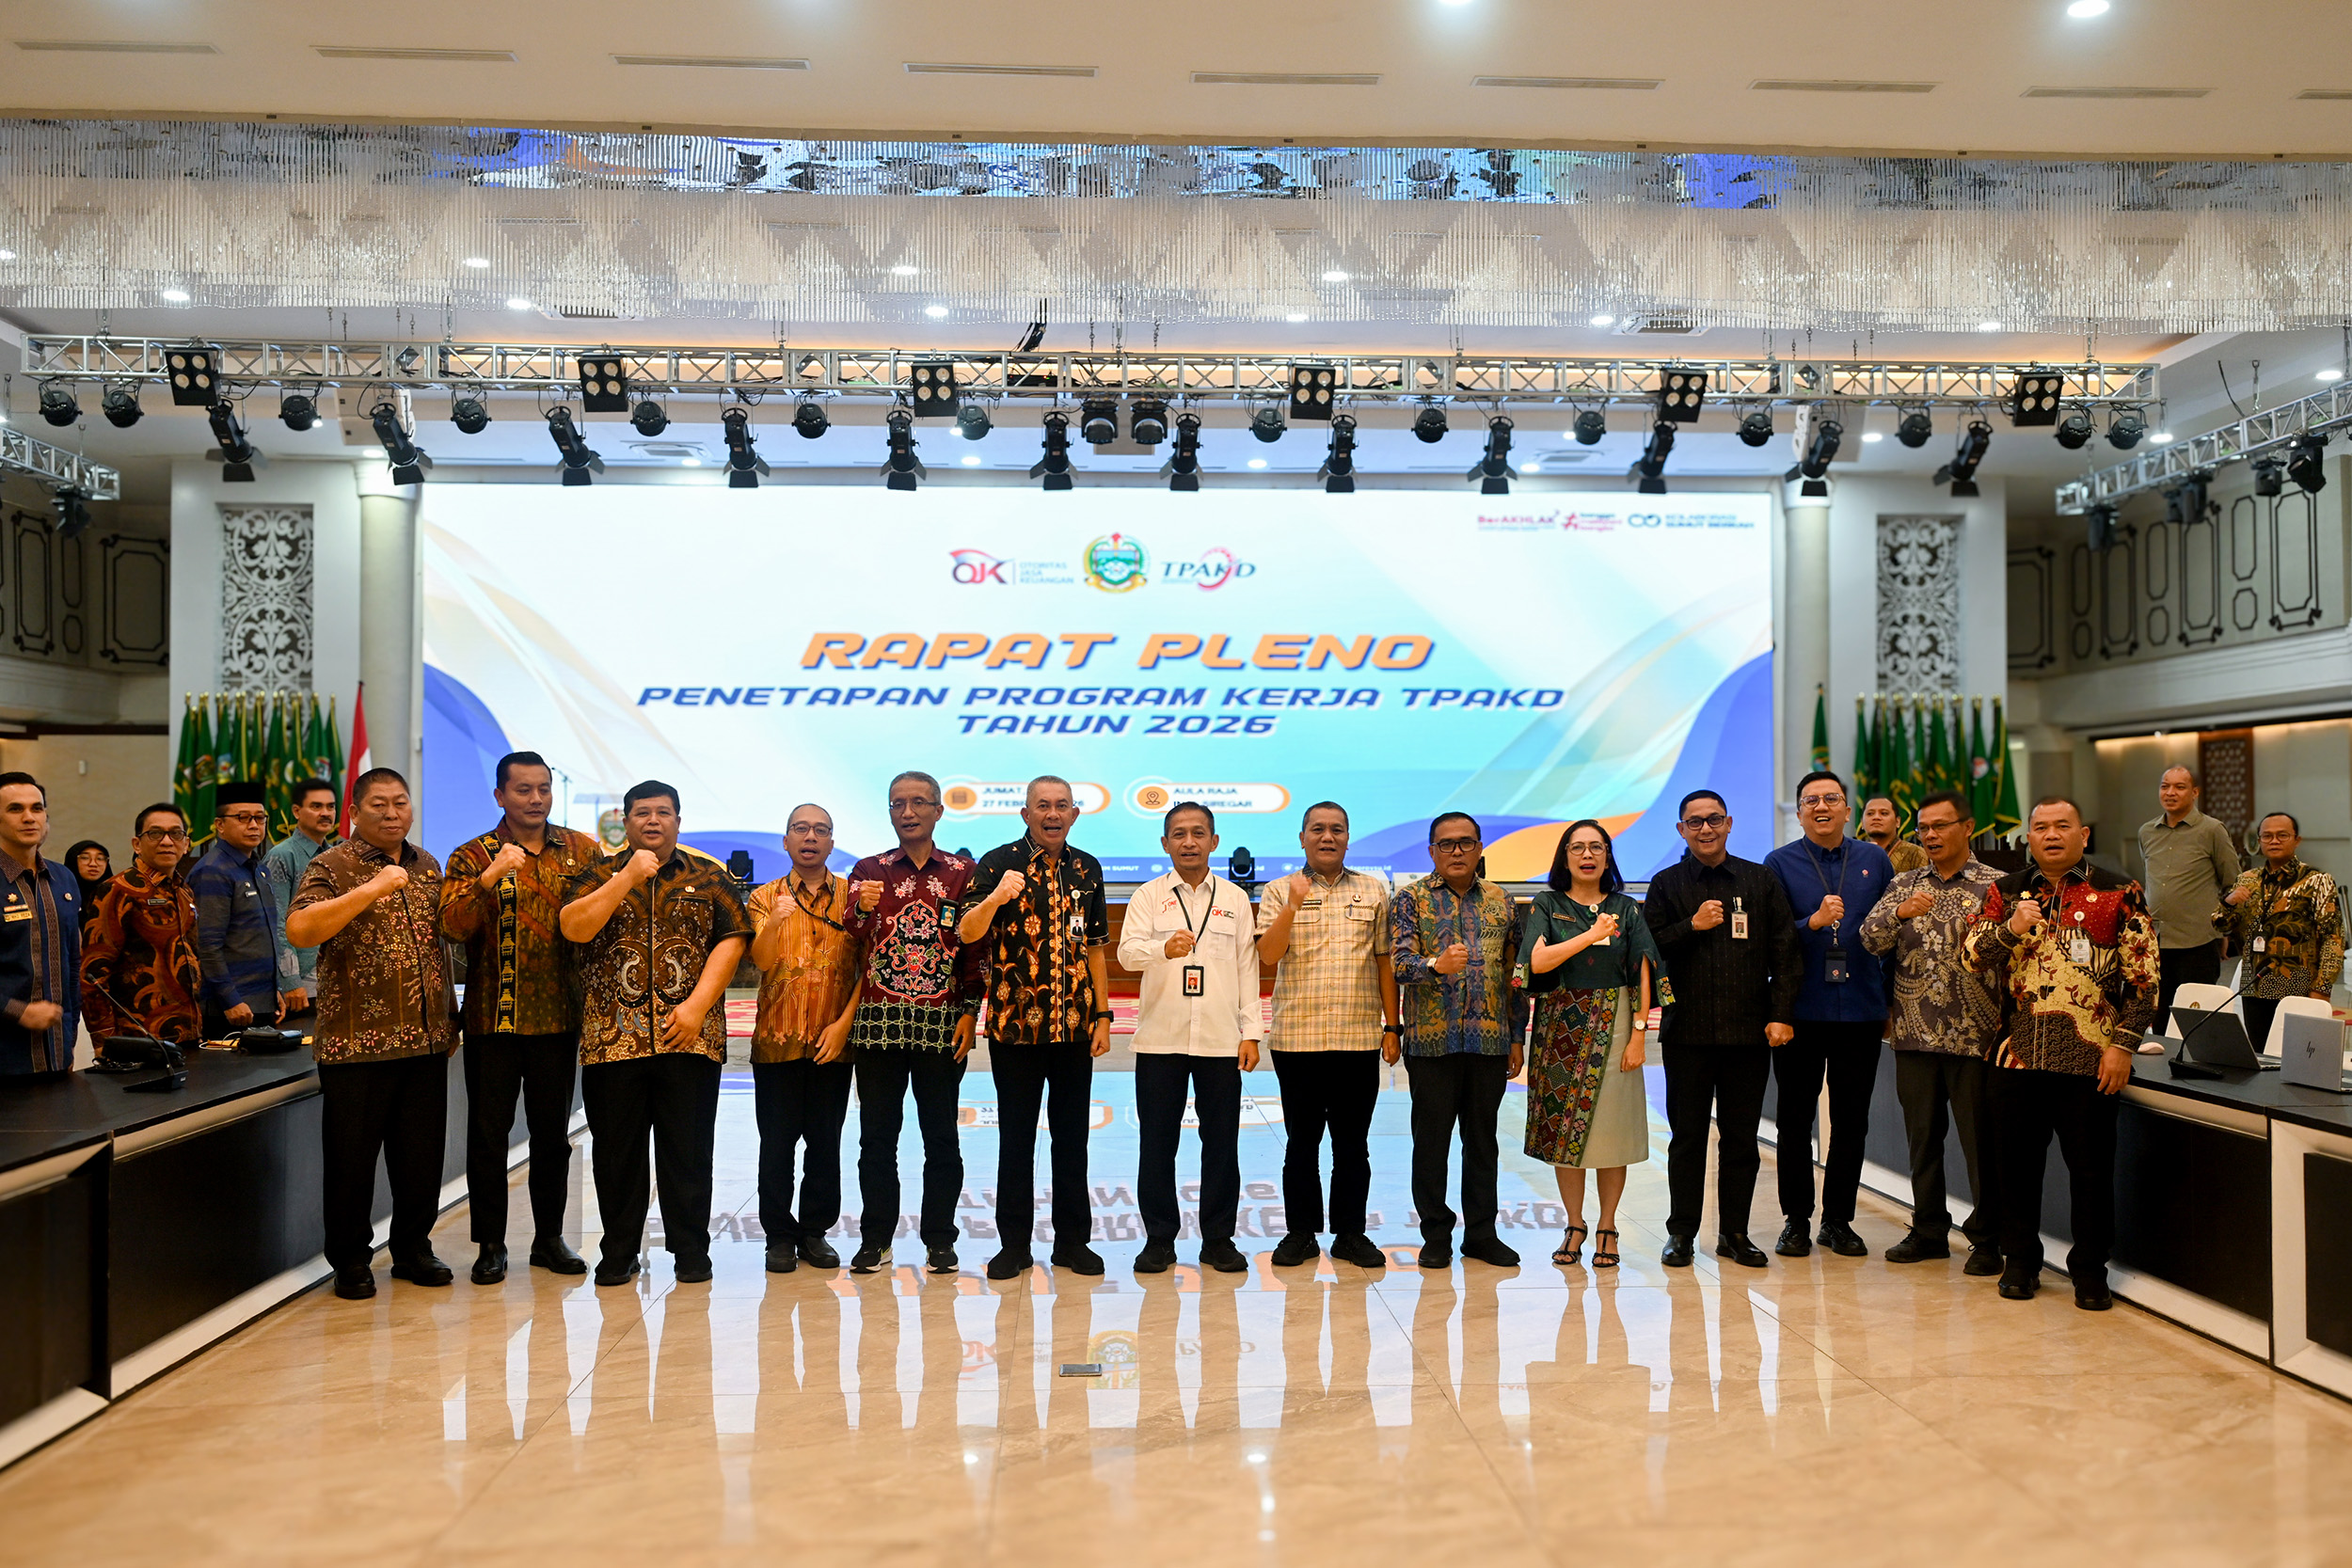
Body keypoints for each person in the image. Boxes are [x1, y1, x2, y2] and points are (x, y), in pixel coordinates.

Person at [1964, 795, 2157, 1310]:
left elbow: (2145, 982)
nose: (2051, 835)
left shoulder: (2119, 892)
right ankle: (2021, 1262)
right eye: (2042, 827)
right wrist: (2010, 928)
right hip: (2015, 1057)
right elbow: (1970, 958)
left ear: (2083, 834)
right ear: (2029, 836)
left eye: (2062, 826)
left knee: (2091, 1172)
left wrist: (2123, 1046)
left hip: (2091, 1060)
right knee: (2015, 1169)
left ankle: (2090, 1271)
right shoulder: (2005, 891)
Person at [560, 781, 750, 1288]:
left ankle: (691, 1250)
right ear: (625, 822)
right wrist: (626, 877)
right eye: (642, 813)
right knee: (616, 1155)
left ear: (678, 821)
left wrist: (696, 1008)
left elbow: (732, 939)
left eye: (663, 812)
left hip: (689, 1037)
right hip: (612, 1041)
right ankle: (619, 1251)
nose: (653, 821)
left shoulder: (708, 876)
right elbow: (574, 927)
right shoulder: (597, 875)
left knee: (687, 1152)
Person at [284, 768, 459, 1301]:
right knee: (352, 1162)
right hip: (357, 1045)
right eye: (378, 804)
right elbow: (301, 929)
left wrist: (451, 1016)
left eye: (400, 802)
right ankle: (351, 1261)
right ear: (355, 813)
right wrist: (370, 890)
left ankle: (413, 1249)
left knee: (420, 1157)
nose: (391, 813)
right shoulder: (332, 864)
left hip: (426, 1040)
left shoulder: (427, 865)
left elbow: (442, 942)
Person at [438, 751, 601, 1284]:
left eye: (543, 789)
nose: (536, 799)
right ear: (500, 796)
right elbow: (452, 927)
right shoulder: (472, 855)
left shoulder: (582, 850)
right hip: (493, 1020)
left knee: (552, 1137)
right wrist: (489, 878)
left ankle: (549, 1239)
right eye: (523, 790)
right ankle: (490, 1244)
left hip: (558, 1018)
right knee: (489, 1136)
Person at [960, 776, 1112, 1279]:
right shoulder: (997, 863)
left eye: (1061, 806)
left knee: (1072, 1140)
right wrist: (995, 898)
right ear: (1025, 814)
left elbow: (1095, 949)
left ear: (1074, 814)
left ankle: (1072, 1243)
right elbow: (966, 932)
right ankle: (1014, 1246)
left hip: (1074, 1028)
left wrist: (1103, 1016)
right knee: (1017, 1140)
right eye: (1042, 806)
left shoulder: (1087, 867)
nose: (1052, 814)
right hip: (1015, 1030)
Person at [1643, 788, 1801, 1269]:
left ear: (1729, 823)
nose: (1705, 829)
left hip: (1747, 1034)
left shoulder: (1759, 880)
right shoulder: (1666, 884)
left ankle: (1734, 1233)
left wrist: (1781, 1013)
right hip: (1686, 1034)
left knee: (1740, 1141)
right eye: (1695, 822)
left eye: (1714, 819)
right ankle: (1681, 1234)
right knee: (1687, 1139)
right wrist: (1691, 926)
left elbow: (1785, 950)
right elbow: (1647, 951)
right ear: (1681, 830)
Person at [1857, 788, 2005, 1275]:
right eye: (1923, 828)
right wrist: (1899, 913)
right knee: (1922, 1140)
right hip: (1914, 1034)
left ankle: (1988, 1240)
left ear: (1968, 827)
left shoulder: (1996, 886)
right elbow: (1869, 939)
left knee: (1981, 1143)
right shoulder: (1904, 883)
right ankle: (1928, 1231)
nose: (1931, 835)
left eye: (1941, 826)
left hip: (1976, 1038)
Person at [1516, 820, 1668, 1272]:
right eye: (1577, 847)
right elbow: (1537, 961)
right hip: (1559, 1027)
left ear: (1607, 856)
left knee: (1613, 1133)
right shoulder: (1547, 903)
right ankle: (1574, 1224)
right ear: (1564, 857)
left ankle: (1607, 1225)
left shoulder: (1627, 907)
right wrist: (1590, 933)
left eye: (1596, 847)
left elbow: (1642, 968)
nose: (1587, 855)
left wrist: (1639, 1034)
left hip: (1616, 1023)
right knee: (1564, 1134)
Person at [1117, 801, 1261, 1275]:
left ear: (1214, 842)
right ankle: (1159, 1239)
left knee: (1221, 1145)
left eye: (1199, 833)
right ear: (1165, 844)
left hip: (1220, 1040)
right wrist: (1163, 948)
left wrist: (1251, 1033)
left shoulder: (1235, 899)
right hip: (1161, 1040)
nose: (1189, 842)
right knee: (1157, 1145)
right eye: (1178, 834)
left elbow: (1247, 968)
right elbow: (1127, 955)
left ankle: (1218, 1239)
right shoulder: (1147, 896)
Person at [1256, 800, 1398, 1273]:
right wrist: (1293, 905)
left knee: (1352, 1146)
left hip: (1358, 1039)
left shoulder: (1373, 890)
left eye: (1337, 829)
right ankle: (1300, 1234)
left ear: (1348, 838)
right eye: (1317, 829)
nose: (1327, 837)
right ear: (1302, 838)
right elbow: (1268, 956)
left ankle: (1350, 1235)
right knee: (1301, 1145)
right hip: (1298, 1041)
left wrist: (1392, 1026)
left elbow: (1384, 961)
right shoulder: (1279, 890)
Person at [1764, 770, 1894, 1259]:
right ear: (1799, 813)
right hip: (1800, 1010)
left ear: (1847, 809)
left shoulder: (1874, 860)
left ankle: (1838, 1221)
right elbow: (1772, 938)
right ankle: (1796, 1220)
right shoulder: (1779, 863)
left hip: (1861, 1008)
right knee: (1794, 1121)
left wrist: (1889, 1001)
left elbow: (1892, 932)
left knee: (1851, 1121)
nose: (1822, 807)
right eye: (1811, 800)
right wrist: (1812, 923)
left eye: (1831, 799)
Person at [1392, 811, 1529, 1269]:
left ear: (1479, 848)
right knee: (1431, 1144)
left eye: (1466, 843)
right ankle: (1435, 1234)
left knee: (1483, 1142)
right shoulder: (1410, 899)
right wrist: (1436, 965)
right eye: (1446, 844)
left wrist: (1516, 1037)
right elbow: (1400, 965)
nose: (1457, 851)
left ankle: (1482, 1234)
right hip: (1431, 1044)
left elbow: (1514, 974)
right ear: (1432, 851)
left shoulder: (1502, 901)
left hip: (1489, 1042)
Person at [744, 801, 861, 1274]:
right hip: (777, 1040)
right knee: (776, 1146)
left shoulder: (854, 896)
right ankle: (778, 1236)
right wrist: (775, 919)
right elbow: (761, 960)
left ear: (832, 843)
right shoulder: (764, 896)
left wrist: (845, 1025)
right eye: (800, 829)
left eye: (820, 830)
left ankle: (814, 1232)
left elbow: (868, 968)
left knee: (825, 1144)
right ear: (786, 841)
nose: (810, 837)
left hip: (833, 1042)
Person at [2218, 812, 2344, 1052]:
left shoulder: (2317, 880)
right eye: (2267, 836)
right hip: (2254, 985)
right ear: (2259, 841)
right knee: (2260, 1057)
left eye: (2282, 835)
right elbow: (2221, 926)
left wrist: (2322, 987)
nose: (2274, 841)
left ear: (2297, 840)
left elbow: (2333, 937)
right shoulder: (2247, 880)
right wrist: (2228, 902)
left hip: (2299, 987)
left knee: (2298, 1057)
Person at [81, 803, 202, 1045]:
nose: (167, 841)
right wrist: (104, 1041)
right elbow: (92, 974)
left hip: (189, 1032)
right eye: (155, 833)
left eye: (176, 834)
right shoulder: (117, 890)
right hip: (139, 1039)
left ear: (186, 844)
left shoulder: (184, 891)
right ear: (137, 844)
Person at [189, 779, 300, 1037]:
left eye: (260, 818)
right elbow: (207, 945)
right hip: (229, 1008)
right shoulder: (213, 871)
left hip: (261, 1001)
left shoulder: (258, 869)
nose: (253, 825)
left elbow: (262, 938)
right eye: (243, 818)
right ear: (220, 825)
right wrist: (230, 1000)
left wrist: (274, 991)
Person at [2137, 765, 2240, 1023]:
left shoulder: (2212, 830)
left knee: (2196, 1020)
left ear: (2195, 792)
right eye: (2165, 786)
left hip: (2198, 941)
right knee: (2159, 1018)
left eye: (2179, 787)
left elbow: (2233, 884)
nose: (2170, 792)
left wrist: (2224, 930)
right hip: (2156, 941)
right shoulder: (2146, 832)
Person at [0, 773, 82, 1078]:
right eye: (15, 809)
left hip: (57, 1055)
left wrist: (69, 1038)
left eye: (37, 808)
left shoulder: (64, 879)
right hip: (6, 1056)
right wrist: (18, 1011)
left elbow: (72, 965)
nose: (29, 817)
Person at [261, 778, 340, 1021]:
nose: (325, 813)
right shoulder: (282, 856)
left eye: (330, 806)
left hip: (336, 980)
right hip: (302, 987)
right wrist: (291, 981)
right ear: (296, 811)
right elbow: (277, 924)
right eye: (316, 806)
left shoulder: (337, 855)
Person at [1858, 795, 1930, 875]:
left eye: (1884, 813)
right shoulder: (1855, 855)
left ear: (1898, 822)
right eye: (1870, 814)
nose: (1876, 817)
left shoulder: (1916, 854)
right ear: (1862, 823)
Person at [64, 839, 111, 932]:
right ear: (73, 860)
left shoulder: (115, 895)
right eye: (85, 858)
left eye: (100, 858)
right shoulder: (58, 894)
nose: (93, 864)